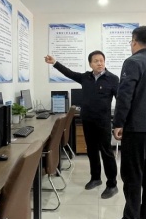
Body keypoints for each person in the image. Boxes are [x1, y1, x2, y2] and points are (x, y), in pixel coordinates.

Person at [106, 26, 146, 219]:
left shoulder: (133, 62)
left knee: (131, 174)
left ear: (134, 41)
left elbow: (125, 95)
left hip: (137, 127)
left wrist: (118, 123)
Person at [44, 51, 120, 199]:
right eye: (96, 61)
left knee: (106, 153)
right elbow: (69, 73)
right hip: (87, 120)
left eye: (101, 60)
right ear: (90, 64)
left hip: (103, 121)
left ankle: (112, 184)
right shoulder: (85, 77)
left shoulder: (112, 79)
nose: (99, 63)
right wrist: (55, 63)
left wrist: (119, 121)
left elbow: (120, 100)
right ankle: (95, 178)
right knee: (91, 151)